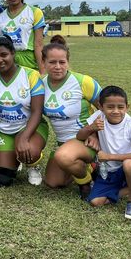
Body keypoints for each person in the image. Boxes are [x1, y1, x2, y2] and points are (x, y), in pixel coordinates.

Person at [76, 86, 131, 222]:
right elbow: (80, 136)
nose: (116, 111)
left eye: (120, 107)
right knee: (95, 202)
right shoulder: (99, 117)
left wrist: (109, 157)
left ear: (127, 107)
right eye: (110, 107)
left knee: (129, 164)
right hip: (111, 171)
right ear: (101, 107)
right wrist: (91, 129)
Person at [43, 36, 102, 198]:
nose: (57, 67)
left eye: (62, 62)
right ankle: (89, 167)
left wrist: (95, 133)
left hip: (86, 140)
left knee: (63, 157)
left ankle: (86, 183)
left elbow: (107, 109)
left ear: (68, 62)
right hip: (64, 144)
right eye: (52, 62)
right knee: (53, 182)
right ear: (44, 62)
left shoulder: (83, 81)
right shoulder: (41, 85)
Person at [0, 36, 48, 187]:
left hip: (30, 127)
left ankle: (33, 166)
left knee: (29, 152)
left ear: (13, 53)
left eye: (4, 55)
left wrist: (24, 138)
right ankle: (16, 157)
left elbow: (37, 111)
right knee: (1, 178)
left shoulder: (30, 75)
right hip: (5, 130)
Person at [0, 0, 46, 73]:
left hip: (29, 62)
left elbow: (39, 45)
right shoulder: (0, 16)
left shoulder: (34, 12)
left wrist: (42, 72)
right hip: (8, 61)